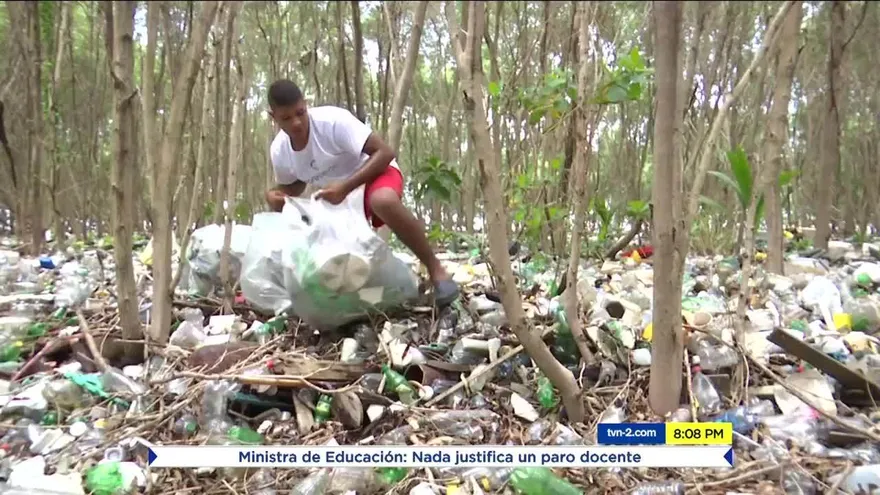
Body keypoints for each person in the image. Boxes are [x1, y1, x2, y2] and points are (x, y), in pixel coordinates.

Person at [264, 79, 460, 307]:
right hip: (339, 199)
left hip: (374, 174)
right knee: (329, 250)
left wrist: (345, 187)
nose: (297, 123)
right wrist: (275, 196)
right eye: (287, 118)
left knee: (383, 201)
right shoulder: (280, 151)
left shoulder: (332, 121)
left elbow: (384, 153)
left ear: (306, 104)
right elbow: (294, 186)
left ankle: (436, 270)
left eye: (300, 113)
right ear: (273, 117)